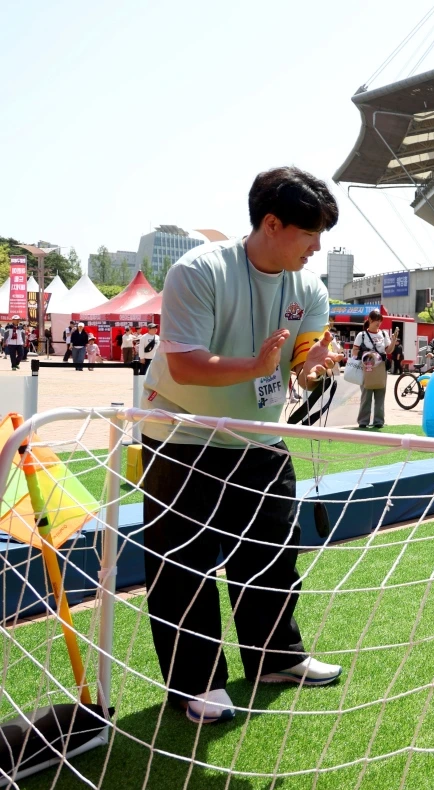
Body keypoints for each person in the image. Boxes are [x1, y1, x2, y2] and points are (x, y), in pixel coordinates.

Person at [139, 166, 341, 724]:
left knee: (272, 554)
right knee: (183, 565)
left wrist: (315, 367)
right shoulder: (198, 270)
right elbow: (185, 363)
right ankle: (196, 684)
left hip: (262, 438)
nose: (316, 247)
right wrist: (254, 366)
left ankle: (277, 657)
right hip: (182, 435)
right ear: (271, 223)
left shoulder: (310, 288)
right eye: (309, 233)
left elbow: (302, 365)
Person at [352, 309, 396, 429]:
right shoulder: (362, 335)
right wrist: (367, 354)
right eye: (376, 320)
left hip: (381, 367)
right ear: (370, 320)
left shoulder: (383, 334)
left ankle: (378, 421)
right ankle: (363, 421)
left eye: (380, 321)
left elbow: (388, 350)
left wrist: (393, 341)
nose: (378, 323)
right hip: (367, 367)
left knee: (380, 394)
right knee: (366, 395)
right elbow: (354, 351)